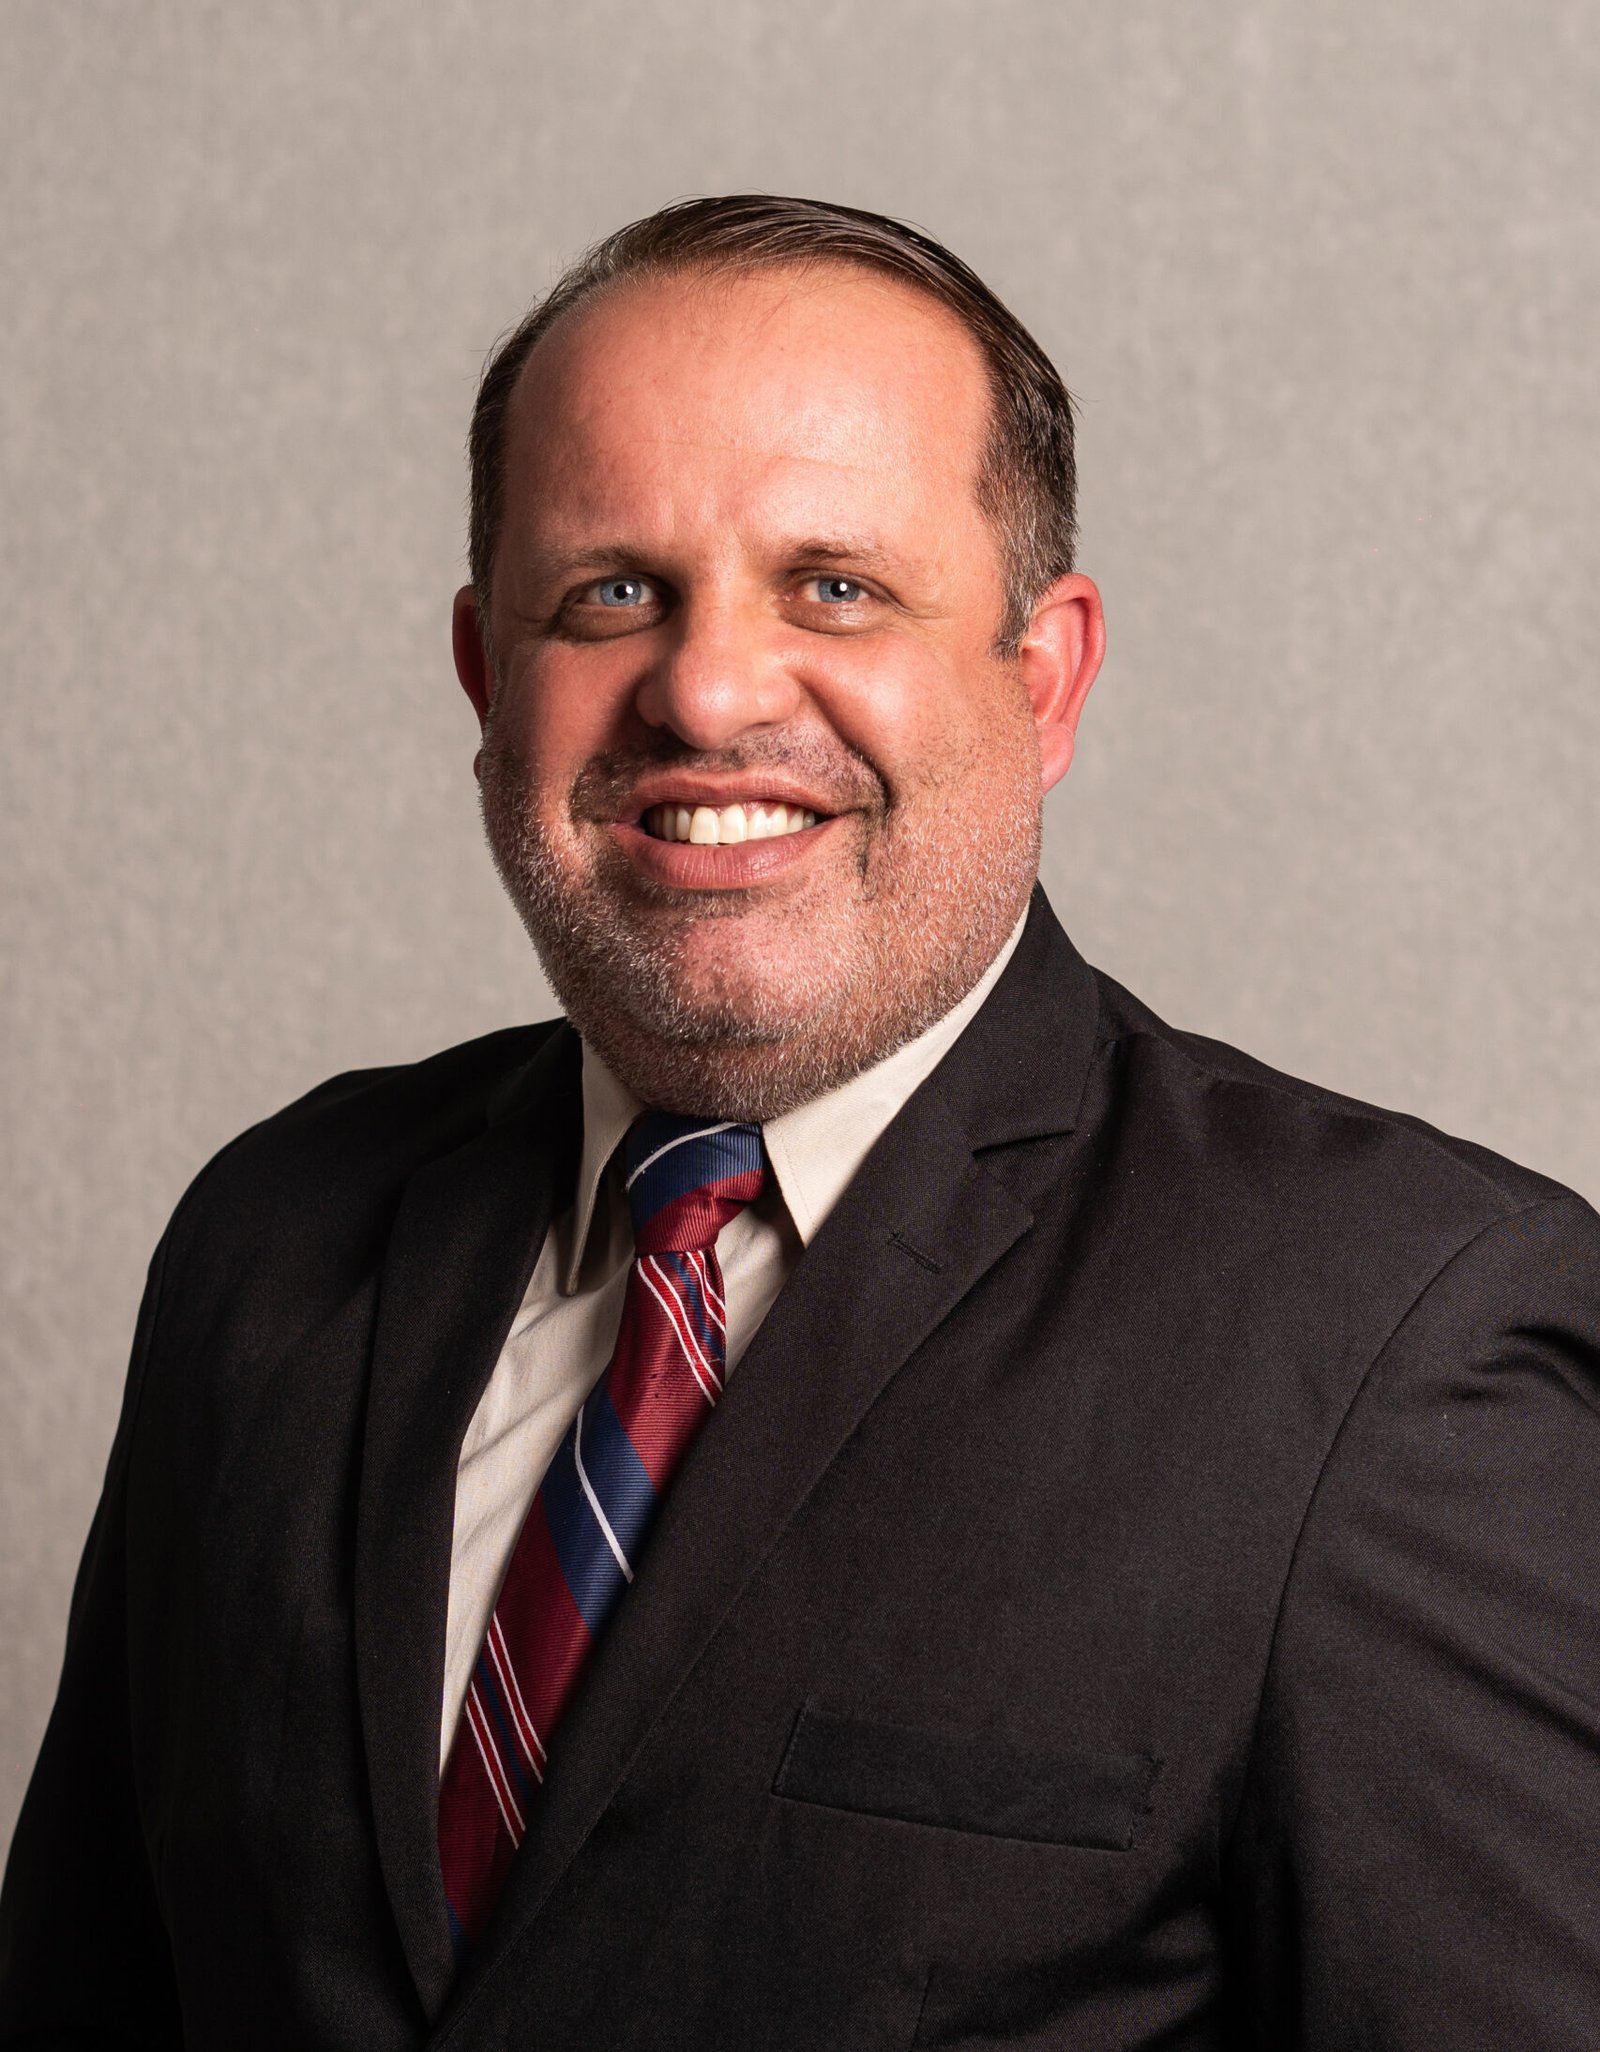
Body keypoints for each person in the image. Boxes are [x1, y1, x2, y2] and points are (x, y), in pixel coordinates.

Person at [2, 193, 1597, 2050]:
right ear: (486, 675)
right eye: (611, 592)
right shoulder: (274, 1243)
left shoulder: (1396, 1343)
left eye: (834, 585)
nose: (707, 689)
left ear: (1046, 676)